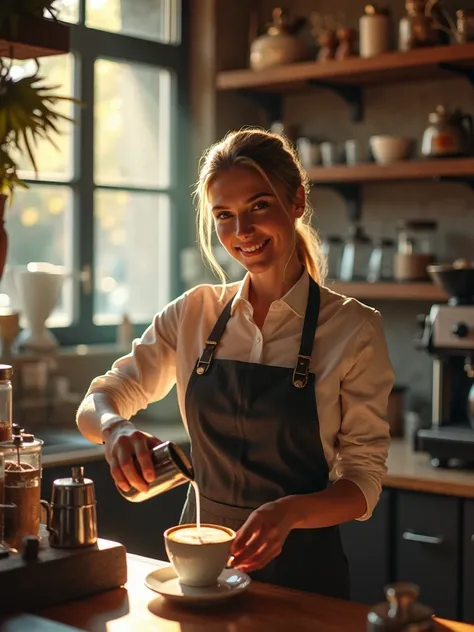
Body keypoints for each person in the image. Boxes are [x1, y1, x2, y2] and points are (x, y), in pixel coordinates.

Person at [76, 128, 394, 599]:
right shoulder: (193, 313)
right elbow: (99, 398)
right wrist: (115, 429)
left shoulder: (352, 329)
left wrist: (289, 513)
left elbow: (363, 481)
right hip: (200, 564)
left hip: (305, 577)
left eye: (259, 206)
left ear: (297, 201)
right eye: (224, 215)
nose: (241, 232)